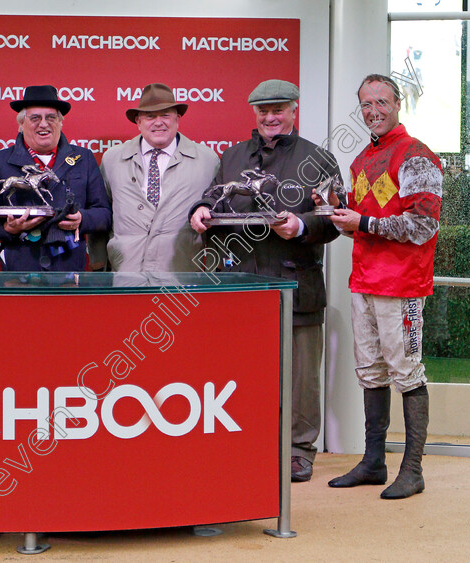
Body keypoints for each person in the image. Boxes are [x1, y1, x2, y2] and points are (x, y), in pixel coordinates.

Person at [189, 79, 341, 482]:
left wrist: (302, 224)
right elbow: (213, 197)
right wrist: (201, 210)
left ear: (294, 109)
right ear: (253, 113)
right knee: (242, 369)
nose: (270, 117)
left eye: (278, 109)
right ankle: (246, 440)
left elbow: (334, 220)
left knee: (301, 375)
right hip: (240, 284)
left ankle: (298, 450)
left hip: (297, 284)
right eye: (263, 111)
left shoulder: (319, 158)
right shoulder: (233, 155)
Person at [326, 74, 441, 499]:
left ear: (397, 104)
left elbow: (423, 225)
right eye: (366, 104)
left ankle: (413, 470)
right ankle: (374, 462)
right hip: (365, 282)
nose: (373, 110)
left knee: (407, 373)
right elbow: (361, 225)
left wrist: (363, 222)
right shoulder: (361, 160)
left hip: (403, 286)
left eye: (381, 102)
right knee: (371, 372)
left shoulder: (416, 156)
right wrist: (338, 215)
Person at [0, 85, 111, 271]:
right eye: (35, 118)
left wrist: (82, 219)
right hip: (19, 269)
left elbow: (103, 213)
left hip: (69, 269)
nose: (44, 124)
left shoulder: (83, 158)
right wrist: (8, 229)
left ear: (61, 123)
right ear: (21, 124)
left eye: (51, 117)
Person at [94, 83, 219, 272]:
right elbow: (101, 213)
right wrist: (98, 265)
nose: (158, 122)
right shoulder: (112, 159)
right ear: (138, 121)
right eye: (150, 116)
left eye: (165, 115)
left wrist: (214, 268)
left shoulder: (207, 161)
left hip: (182, 277)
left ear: (178, 119)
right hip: (126, 275)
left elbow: (218, 221)